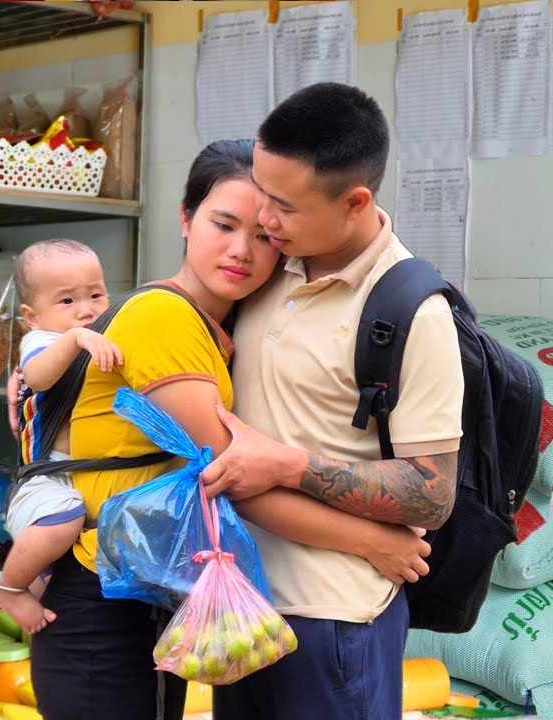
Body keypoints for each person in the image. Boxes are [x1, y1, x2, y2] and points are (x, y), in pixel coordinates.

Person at [25, 139, 435, 720]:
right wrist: (372, 542)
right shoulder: (164, 318)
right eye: (223, 224)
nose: (242, 250)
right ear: (186, 219)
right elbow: (229, 477)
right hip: (100, 605)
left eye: (265, 236)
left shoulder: (217, 326)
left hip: (140, 594)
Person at [198, 83, 463, 720]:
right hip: (238, 605)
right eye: (260, 190)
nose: (263, 218)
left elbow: (432, 491)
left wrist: (288, 466)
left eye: (283, 205)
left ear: (355, 202)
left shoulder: (410, 311)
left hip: (336, 623)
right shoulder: (266, 265)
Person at [0, 239, 121, 649]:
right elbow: (38, 376)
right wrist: (75, 340)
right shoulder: (44, 341)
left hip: (80, 477)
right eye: (67, 300)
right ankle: (10, 589)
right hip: (46, 480)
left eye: (96, 294)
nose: (86, 310)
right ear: (33, 316)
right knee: (64, 520)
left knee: (52, 585)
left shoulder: (103, 334)